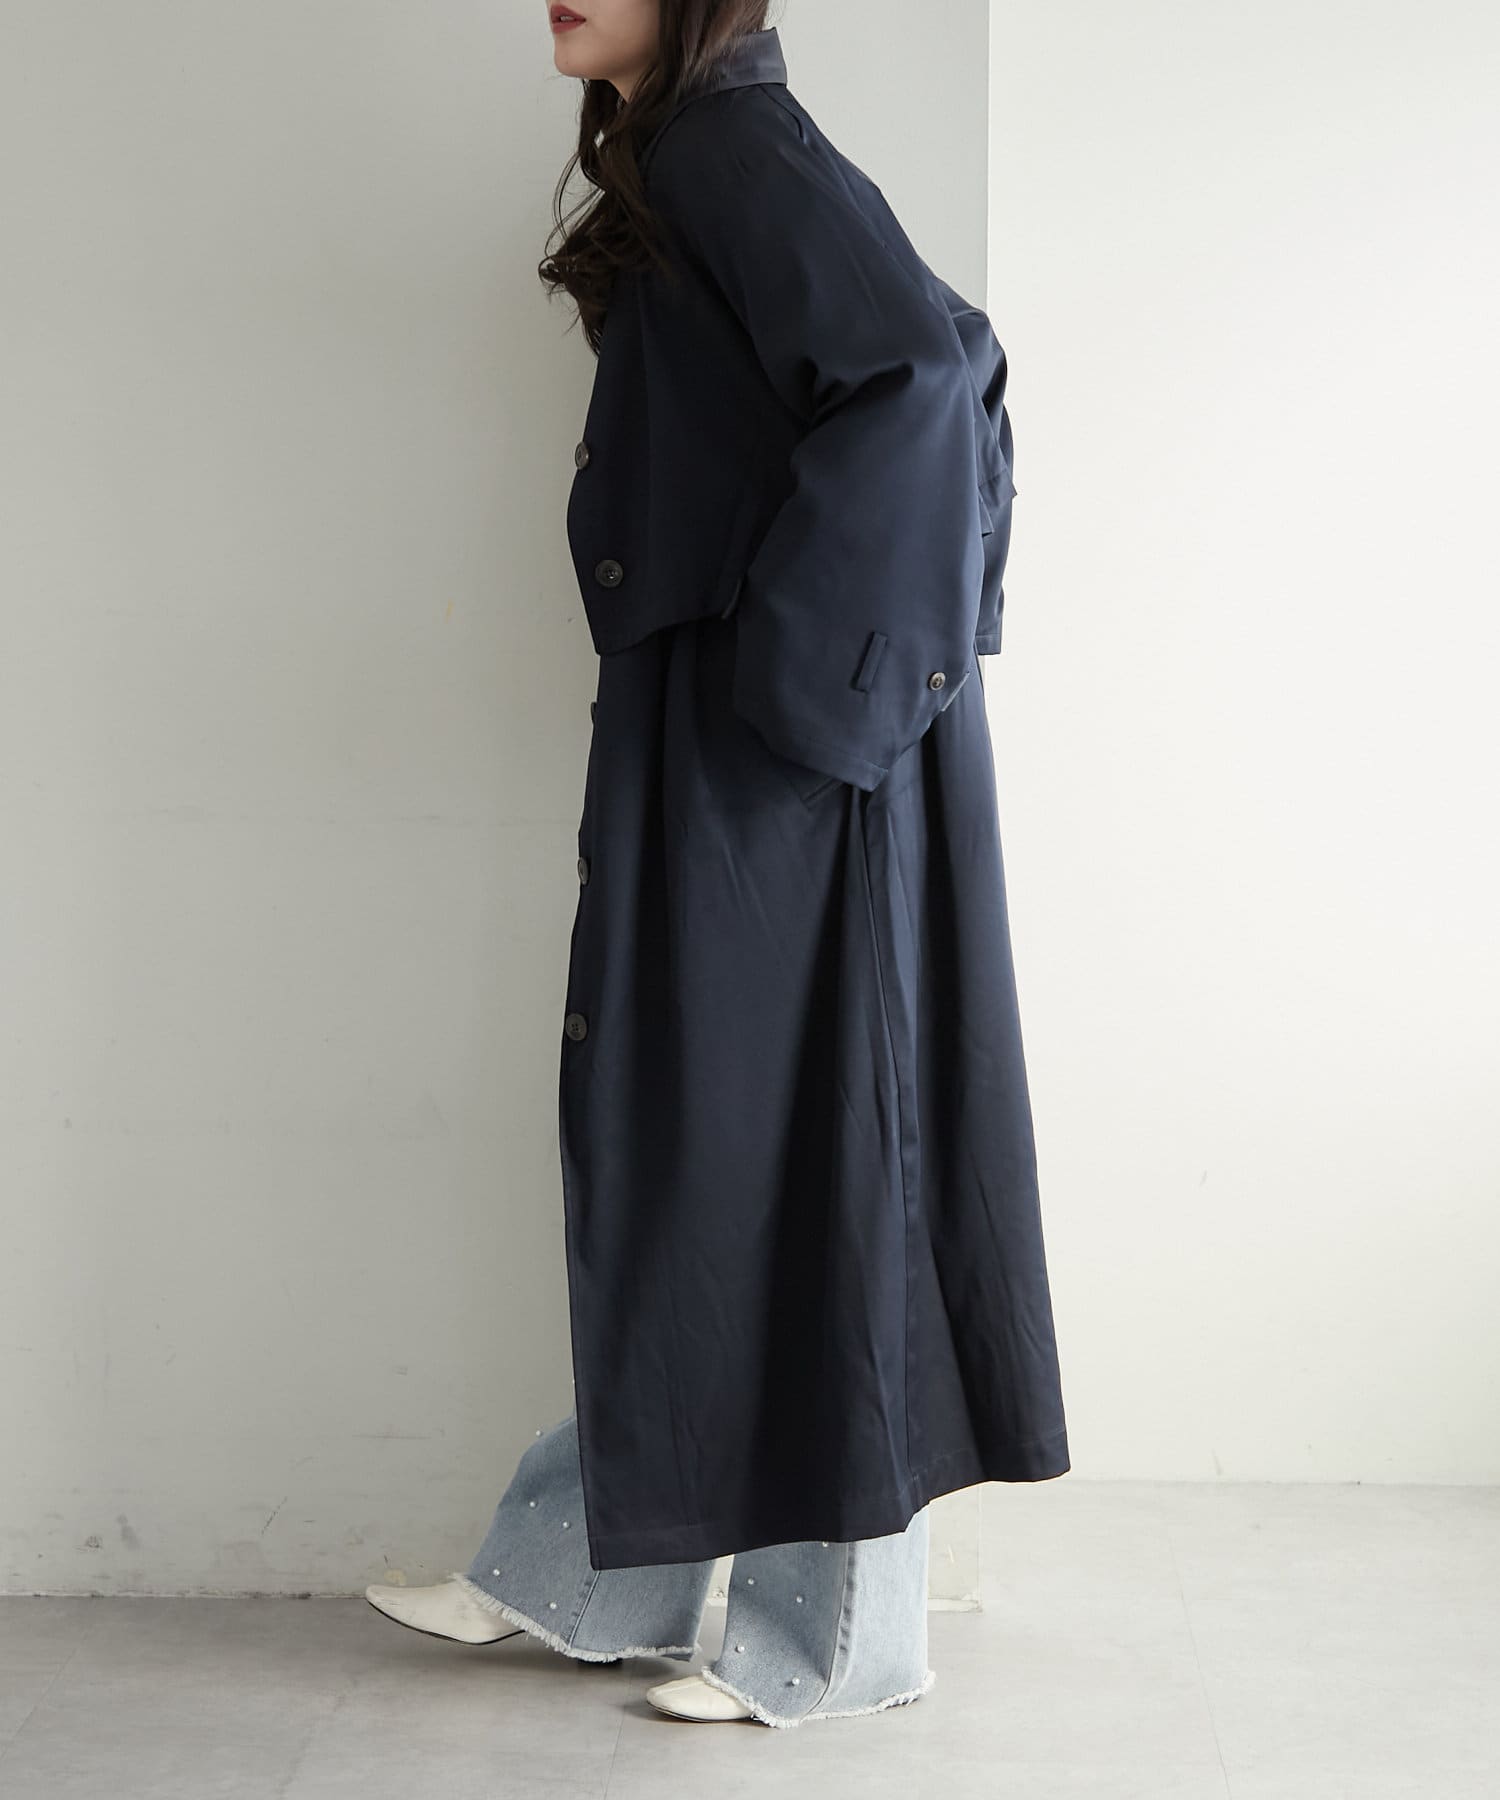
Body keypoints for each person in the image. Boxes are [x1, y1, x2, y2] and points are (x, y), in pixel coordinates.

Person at [367, 1, 1070, 1729]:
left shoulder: (738, 149)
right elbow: (948, 353)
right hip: (733, 727)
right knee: (690, 1142)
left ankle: (844, 1642)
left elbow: (928, 375)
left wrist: (820, 687)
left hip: (790, 748)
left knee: (811, 1148)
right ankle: (589, 1571)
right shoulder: (695, 153)